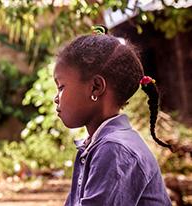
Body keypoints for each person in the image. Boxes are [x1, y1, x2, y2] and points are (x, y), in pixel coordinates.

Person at [54, 26, 172, 205]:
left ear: (95, 87)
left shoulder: (115, 149)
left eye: (61, 87)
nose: (56, 98)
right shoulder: (97, 145)